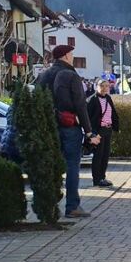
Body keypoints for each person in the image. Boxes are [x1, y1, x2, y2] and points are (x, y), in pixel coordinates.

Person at [35, 45, 100, 217]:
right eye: (71, 53)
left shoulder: (43, 75)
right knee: (72, 165)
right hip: (70, 126)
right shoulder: (71, 75)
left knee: (50, 165)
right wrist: (88, 132)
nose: (72, 56)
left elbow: (37, 100)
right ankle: (72, 206)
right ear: (65, 56)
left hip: (49, 126)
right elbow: (80, 104)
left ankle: (48, 207)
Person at [86, 78, 120, 187]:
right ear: (97, 87)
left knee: (105, 155)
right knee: (98, 155)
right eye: (102, 86)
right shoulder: (92, 100)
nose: (105, 88)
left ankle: (102, 177)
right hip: (98, 131)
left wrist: (116, 126)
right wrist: (92, 133)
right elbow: (87, 117)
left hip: (107, 130)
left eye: (107, 86)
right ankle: (97, 179)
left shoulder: (108, 98)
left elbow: (113, 113)